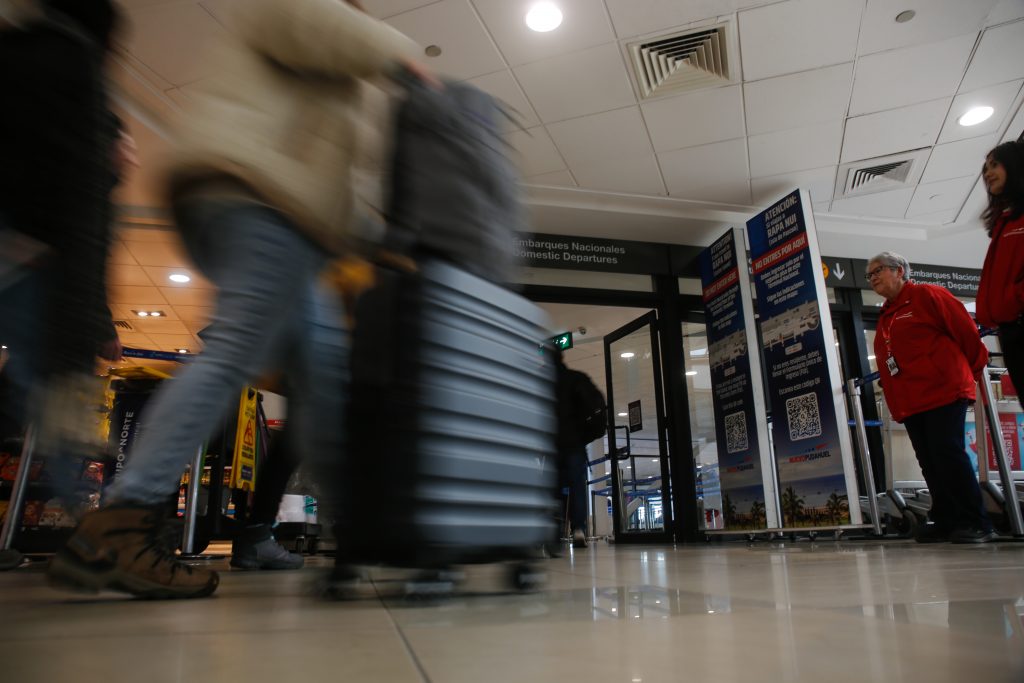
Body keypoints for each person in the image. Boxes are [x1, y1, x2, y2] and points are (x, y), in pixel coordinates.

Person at [48, 0, 428, 599]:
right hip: (254, 198)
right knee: (234, 353)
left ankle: (362, 534)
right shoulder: (314, 16)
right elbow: (310, 21)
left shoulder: (327, 73)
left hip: (287, 216)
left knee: (326, 385)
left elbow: (321, 182)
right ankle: (118, 525)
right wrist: (401, 54)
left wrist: (378, 239)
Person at [868, 251, 996, 543]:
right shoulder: (887, 314)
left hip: (943, 392)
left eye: (878, 271)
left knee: (947, 454)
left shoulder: (928, 295)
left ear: (900, 270)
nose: (872, 277)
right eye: (869, 274)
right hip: (912, 401)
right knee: (929, 460)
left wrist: (973, 372)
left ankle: (977, 521)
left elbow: (967, 335)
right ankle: (946, 518)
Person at [975, 140, 1024, 392]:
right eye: (986, 168)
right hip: (1010, 330)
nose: (987, 173)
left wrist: (1014, 302)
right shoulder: (1004, 221)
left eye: (995, 165)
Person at [553, 349, 606, 549]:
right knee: (577, 487)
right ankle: (578, 529)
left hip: (553, 444)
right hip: (575, 443)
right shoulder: (576, 379)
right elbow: (595, 405)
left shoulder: (543, 384)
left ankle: (554, 529)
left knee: (553, 486)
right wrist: (587, 433)